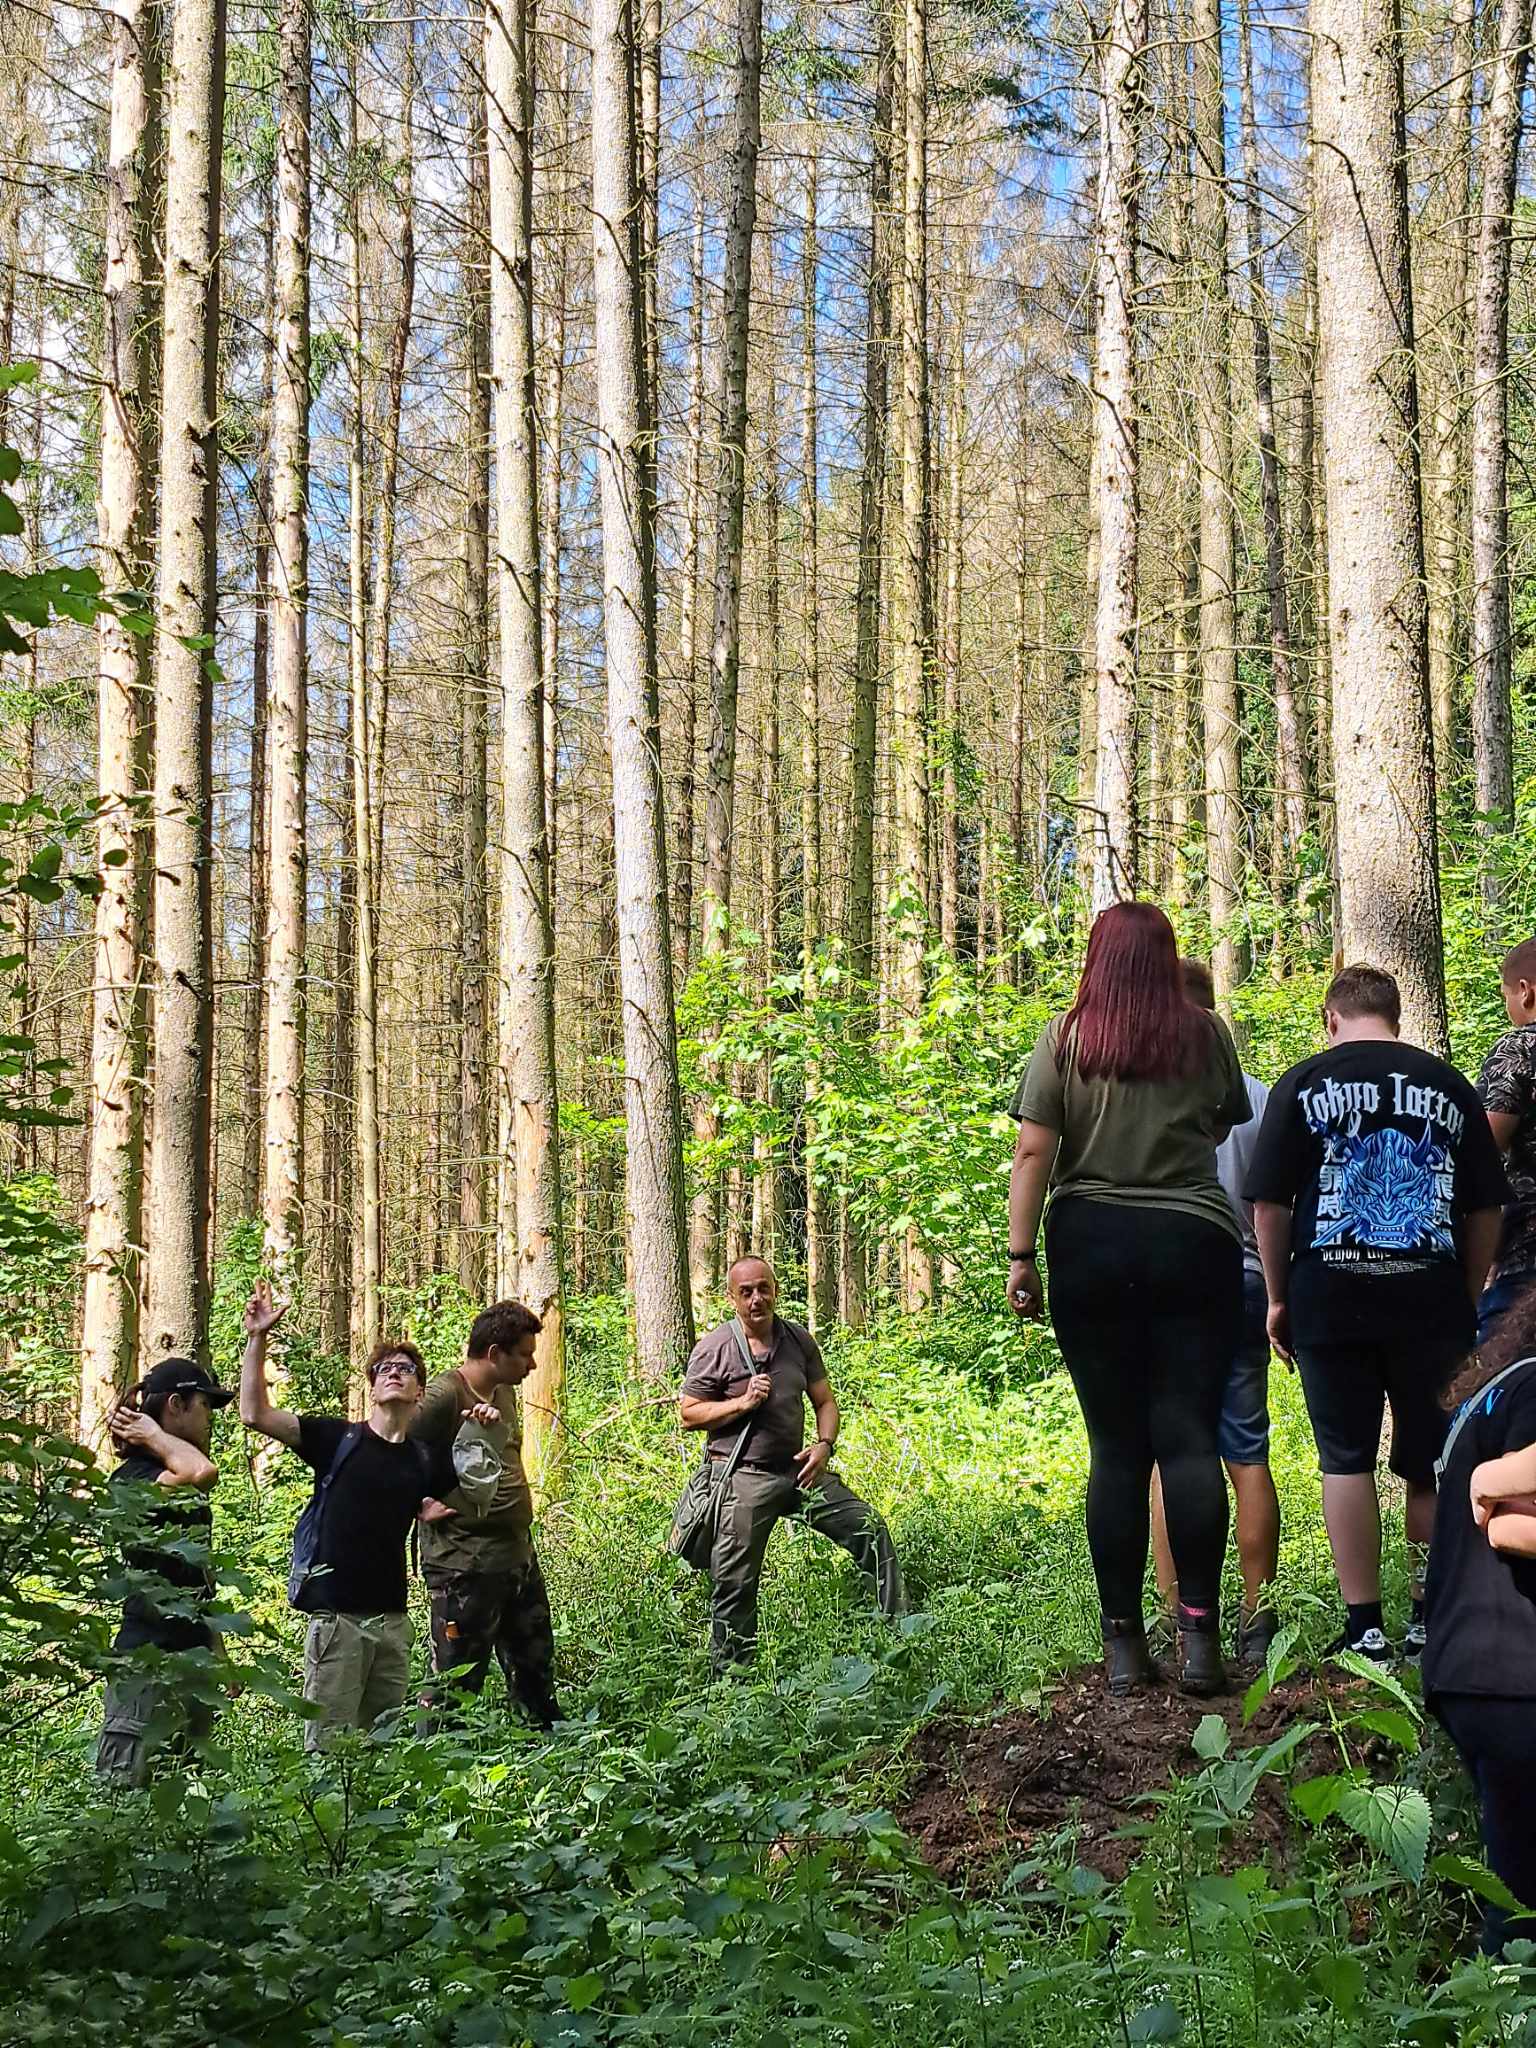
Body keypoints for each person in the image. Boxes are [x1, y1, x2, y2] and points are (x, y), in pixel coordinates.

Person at [1008, 901, 1251, 1697]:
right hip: (1193, 1242)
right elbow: (1222, 1125)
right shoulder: (1207, 1033)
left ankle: (1122, 1649)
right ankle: (1202, 1643)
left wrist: (1020, 1257)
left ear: (1097, 958)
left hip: (1091, 1243)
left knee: (1116, 1447)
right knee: (1188, 1440)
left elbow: (1034, 1147)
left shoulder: (1066, 1035)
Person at [1247, 964, 1507, 1662]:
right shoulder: (1449, 1086)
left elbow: (1268, 1205)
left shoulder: (1303, 1083)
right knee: (1427, 1464)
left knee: (1345, 1460)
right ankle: (1426, 1619)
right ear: (1396, 1017)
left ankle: (1365, 1628)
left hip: (1329, 1295)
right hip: (1431, 1301)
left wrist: (1277, 1296)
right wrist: (1471, 1290)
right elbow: (1487, 1205)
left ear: (1332, 1019)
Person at [239, 1280, 482, 1747]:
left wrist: (482, 1434)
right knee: (328, 1748)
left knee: (382, 1749)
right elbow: (255, 1414)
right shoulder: (337, 1440)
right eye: (384, 1369)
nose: (394, 1373)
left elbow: (473, 1498)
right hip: (336, 1621)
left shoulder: (425, 1458)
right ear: (371, 1388)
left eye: (405, 1369)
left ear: (419, 1391)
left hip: (392, 1622)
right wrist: (257, 1338)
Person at [1150, 959, 1281, 1667]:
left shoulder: (1149, 1092)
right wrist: (1279, 1295)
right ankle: (1258, 1617)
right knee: (1247, 1450)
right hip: (1248, 1283)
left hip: (1172, 1285)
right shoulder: (1255, 1096)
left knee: (1171, 1455)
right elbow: (1272, 1209)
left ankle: (1179, 1618)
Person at [679, 1255, 903, 1669]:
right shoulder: (715, 1348)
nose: (756, 1299)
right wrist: (742, 1402)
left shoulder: (797, 1340)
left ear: (776, 1290)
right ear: (731, 1298)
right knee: (735, 1583)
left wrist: (824, 1445)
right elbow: (689, 1413)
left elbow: (825, 1401)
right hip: (743, 1476)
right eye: (745, 1292)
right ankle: (732, 1680)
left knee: (870, 1529)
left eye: (763, 1288)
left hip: (799, 1471)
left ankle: (899, 1634)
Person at [1422, 1348, 1536, 1953]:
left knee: (1518, 1896)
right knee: (1520, 1920)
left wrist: (1486, 1481)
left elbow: (1504, 1518)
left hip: (1467, 1671)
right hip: (1518, 1673)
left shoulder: (1502, 1384)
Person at [409, 1299, 563, 1729]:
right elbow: (390, 1444)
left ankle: (545, 1745)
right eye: (525, 1354)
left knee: (534, 1666)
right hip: (464, 1567)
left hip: (517, 1559)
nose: (533, 1364)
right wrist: (419, 1502)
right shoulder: (443, 1396)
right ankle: (436, 1760)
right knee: (456, 1680)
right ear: (495, 1354)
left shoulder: (504, 1392)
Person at [97, 1357, 232, 1786]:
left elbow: (197, 1578)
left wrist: (219, 1653)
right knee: (126, 1792)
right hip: (145, 1664)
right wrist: (153, 1434)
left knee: (186, 1796)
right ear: (176, 1404)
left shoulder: (176, 1480)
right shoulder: (132, 1480)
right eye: (204, 1406)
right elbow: (200, 1471)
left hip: (192, 1662)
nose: (211, 1419)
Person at [1473, 937, 1536, 1351]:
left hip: (1527, 1256)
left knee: (1506, 1389)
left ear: (1526, 991)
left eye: (1507, 996)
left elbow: (1481, 1148)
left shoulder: (1519, 1048)